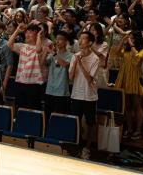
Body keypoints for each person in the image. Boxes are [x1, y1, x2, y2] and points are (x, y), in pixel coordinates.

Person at [70, 31, 101, 160]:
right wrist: (75, 64)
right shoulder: (75, 56)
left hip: (89, 95)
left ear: (90, 42)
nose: (80, 41)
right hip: (76, 94)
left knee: (90, 123)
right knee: (75, 121)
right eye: (80, 39)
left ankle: (87, 148)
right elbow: (70, 78)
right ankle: (76, 146)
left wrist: (81, 63)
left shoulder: (95, 58)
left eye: (83, 39)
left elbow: (89, 79)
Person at [116, 31, 143, 140]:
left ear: (137, 40)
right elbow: (116, 53)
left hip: (135, 79)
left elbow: (138, 58)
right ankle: (129, 128)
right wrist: (122, 41)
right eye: (130, 38)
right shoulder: (126, 49)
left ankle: (138, 130)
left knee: (137, 106)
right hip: (125, 78)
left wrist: (132, 44)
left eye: (132, 38)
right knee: (127, 106)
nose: (130, 40)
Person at [43, 31, 73, 118]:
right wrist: (45, 51)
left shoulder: (71, 55)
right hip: (49, 90)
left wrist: (54, 53)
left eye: (60, 39)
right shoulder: (52, 54)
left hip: (62, 92)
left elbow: (64, 65)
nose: (57, 41)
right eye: (56, 39)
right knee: (47, 116)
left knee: (59, 117)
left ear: (66, 42)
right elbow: (44, 63)